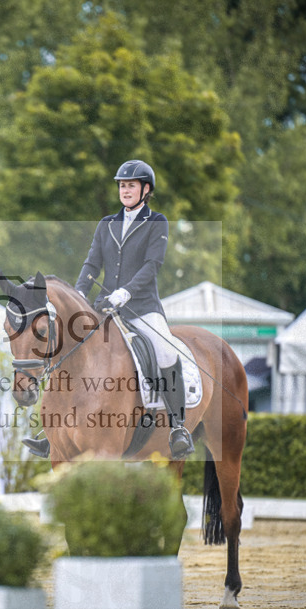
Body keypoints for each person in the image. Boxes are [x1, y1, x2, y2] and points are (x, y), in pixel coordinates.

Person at [22, 159, 196, 460]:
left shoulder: (157, 222)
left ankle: (177, 427)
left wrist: (126, 292)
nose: (125, 190)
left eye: (131, 185)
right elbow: (92, 263)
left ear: (145, 189)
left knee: (166, 352)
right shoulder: (107, 224)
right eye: (122, 185)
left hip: (142, 308)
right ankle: (54, 431)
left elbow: (152, 265)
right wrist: (78, 294)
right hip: (106, 308)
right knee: (68, 351)